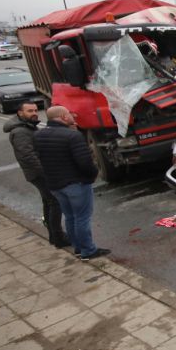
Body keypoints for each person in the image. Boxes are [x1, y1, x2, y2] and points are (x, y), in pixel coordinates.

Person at [34, 106, 108, 261]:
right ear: (63, 117)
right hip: (76, 183)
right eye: (69, 113)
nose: (72, 115)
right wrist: (92, 175)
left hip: (55, 184)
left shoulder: (38, 136)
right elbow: (85, 162)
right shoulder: (72, 136)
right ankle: (88, 250)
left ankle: (78, 248)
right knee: (82, 217)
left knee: (70, 217)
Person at [3, 102, 69, 248]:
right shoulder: (20, 132)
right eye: (29, 111)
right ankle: (58, 237)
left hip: (38, 172)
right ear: (20, 113)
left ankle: (54, 235)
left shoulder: (27, 127)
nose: (34, 113)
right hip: (39, 173)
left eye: (35, 110)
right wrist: (47, 172)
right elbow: (28, 156)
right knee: (55, 202)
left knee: (48, 201)